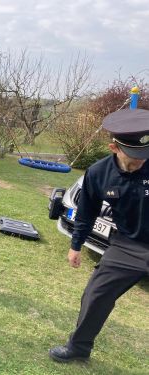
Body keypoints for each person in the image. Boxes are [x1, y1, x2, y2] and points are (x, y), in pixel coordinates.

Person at [49, 108, 149, 363]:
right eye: (135, 155)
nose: (141, 160)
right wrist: (75, 245)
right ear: (114, 147)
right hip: (129, 244)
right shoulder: (98, 173)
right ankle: (78, 349)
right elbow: (86, 213)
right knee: (96, 295)